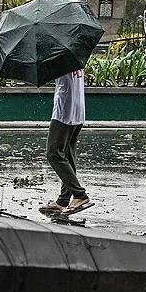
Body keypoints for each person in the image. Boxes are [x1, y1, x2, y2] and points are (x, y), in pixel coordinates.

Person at [40, 69, 93, 216]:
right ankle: (63, 200)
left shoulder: (57, 55)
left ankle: (79, 195)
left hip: (64, 110)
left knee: (53, 153)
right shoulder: (73, 55)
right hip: (78, 108)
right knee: (68, 155)